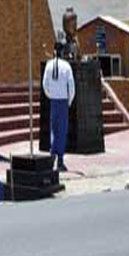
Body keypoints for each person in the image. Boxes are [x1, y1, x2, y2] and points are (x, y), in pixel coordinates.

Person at [43, 40, 75, 171]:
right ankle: (60, 161)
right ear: (62, 52)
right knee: (62, 131)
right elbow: (71, 86)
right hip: (62, 101)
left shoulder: (48, 65)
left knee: (53, 129)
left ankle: (51, 157)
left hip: (53, 101)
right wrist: (69, 101)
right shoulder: (66, 66)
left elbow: (45, 84)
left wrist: (50, 95)